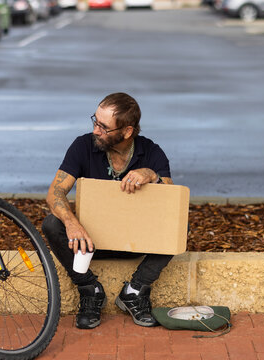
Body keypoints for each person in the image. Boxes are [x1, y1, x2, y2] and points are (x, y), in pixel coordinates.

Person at [41, 92, 174, 329]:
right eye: (95, 121)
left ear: (127, 131)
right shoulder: (83, 145)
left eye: (104, 127)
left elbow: (172, 203)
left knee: (179, 223)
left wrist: (152, 176)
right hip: (89, 243)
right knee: (52, 223)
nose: (95, 130)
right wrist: (72, 223)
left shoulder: (151, 152)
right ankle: (89, 290)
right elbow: (55, 194)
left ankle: (135, 291)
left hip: (135, 242)